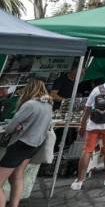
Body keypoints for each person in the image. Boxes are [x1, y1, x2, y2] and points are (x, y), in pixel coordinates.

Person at [0, 79, 52, 207]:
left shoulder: (30, 104)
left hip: (21, 144)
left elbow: (10, 127)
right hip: (34, 145)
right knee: (17, 176)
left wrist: (15, 128)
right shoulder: (48, 105)